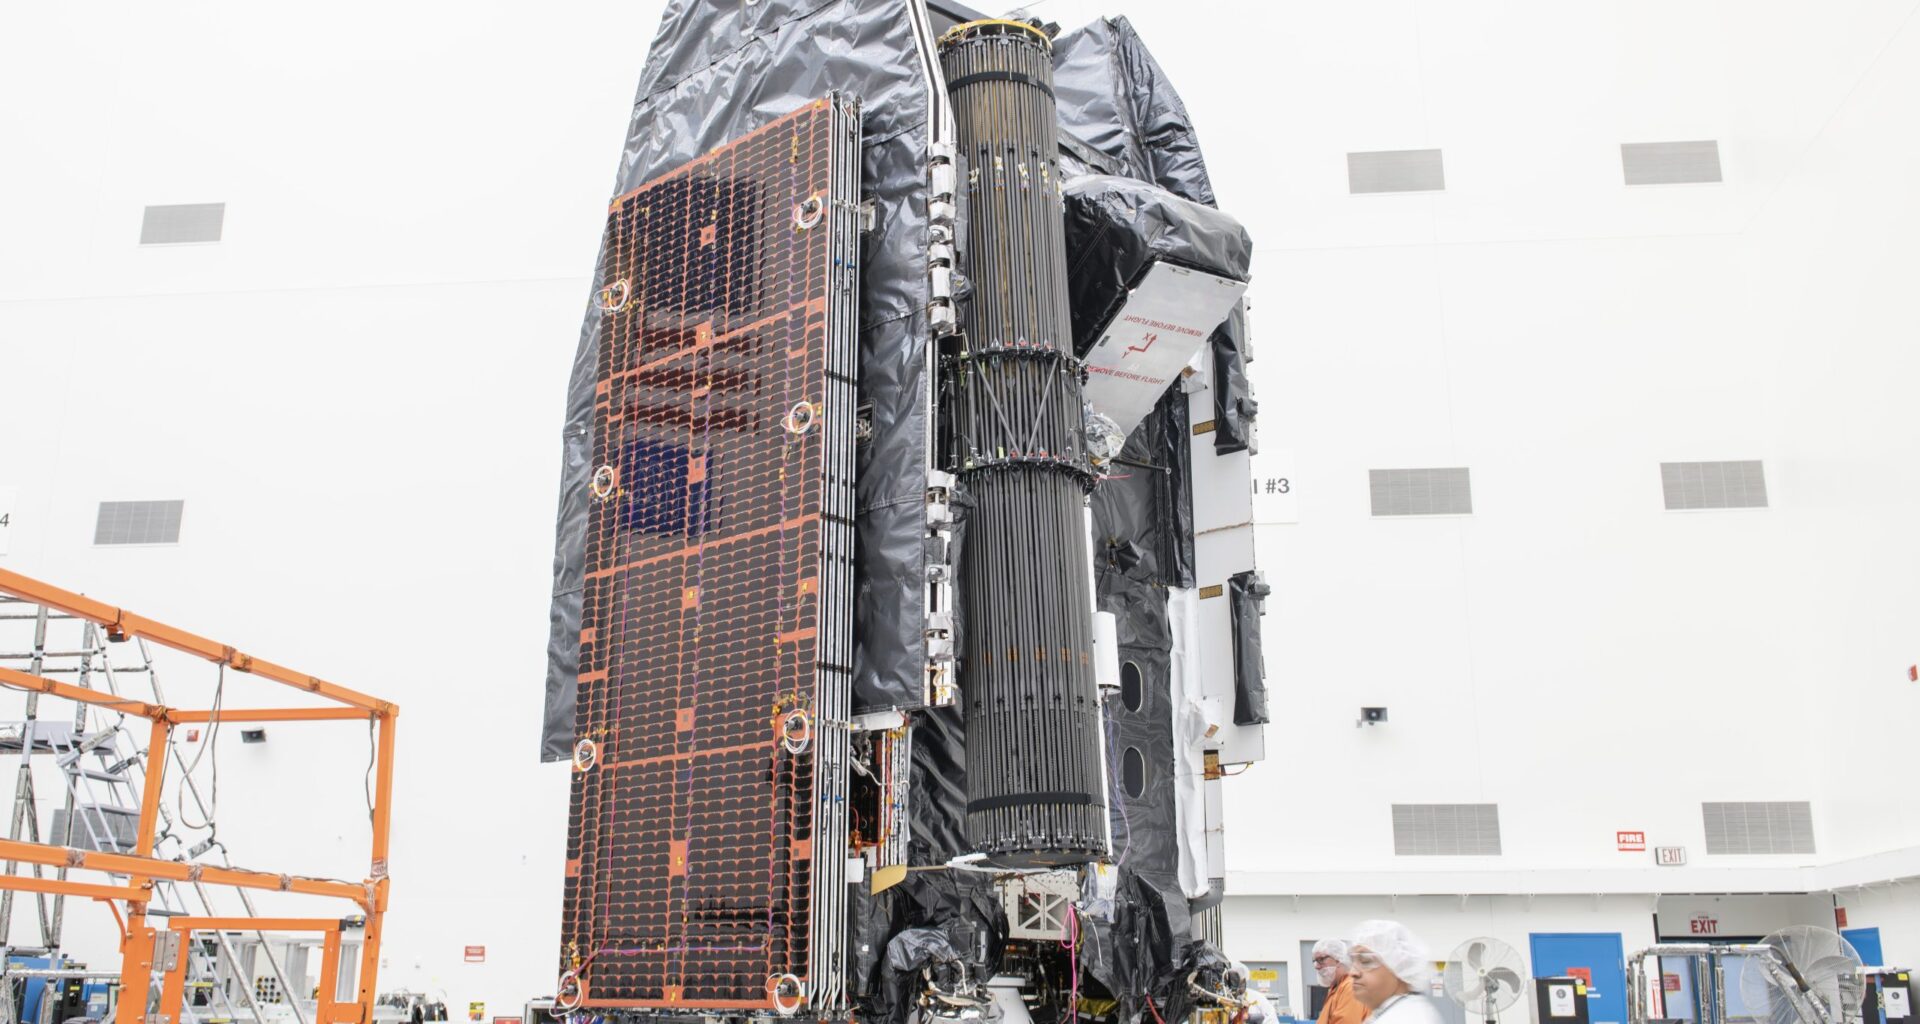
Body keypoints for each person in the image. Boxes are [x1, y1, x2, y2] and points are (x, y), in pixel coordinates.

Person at [1347, 920, 1447, 1024]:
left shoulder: (1409, 1018)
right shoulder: (1392, 1012)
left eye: (1366, 961)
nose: (1352, 972)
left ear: (1400, 966)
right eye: (1352, 962)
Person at [1312, 938, 1367, 1024]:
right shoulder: (1336, 989)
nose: (1316, 966)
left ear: (1338, 959)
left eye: (1321, 959)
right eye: (1315, 961)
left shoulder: (1351, 987)